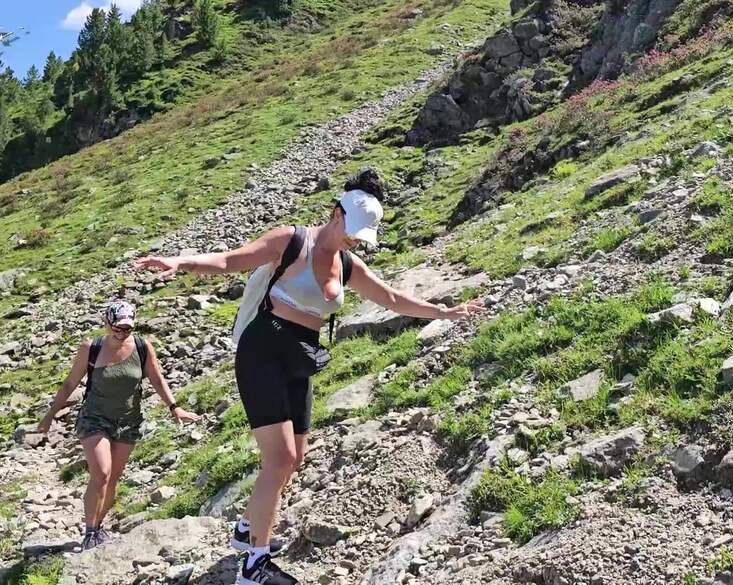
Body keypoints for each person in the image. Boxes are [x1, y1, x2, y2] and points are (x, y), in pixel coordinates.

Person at [134, 168, 484, 585]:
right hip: (263, 349)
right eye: (353, 232)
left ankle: (247, 530)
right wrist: (180, 261)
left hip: (300, 356)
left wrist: (444, 312)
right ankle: (254, 566)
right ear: (336, 213)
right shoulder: (292, 241)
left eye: (362, 237)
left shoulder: (348, 264)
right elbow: (231, 260)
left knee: (295, 459)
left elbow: (390, 297)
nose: (355, 241)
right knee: (279, 458)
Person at [37, 301, 200, 551]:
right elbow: (70, 384)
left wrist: (174, 407)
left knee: (112, 478)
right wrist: (50, 415)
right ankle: (90, 532)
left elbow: (157, 379)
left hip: (128, 421)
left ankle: (98, 527)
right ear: (107, 323)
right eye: (118, 328)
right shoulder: (91, 348)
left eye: (127, 328)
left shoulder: (142, 347)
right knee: (101, 473)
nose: (122, 333)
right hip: (95, 419)